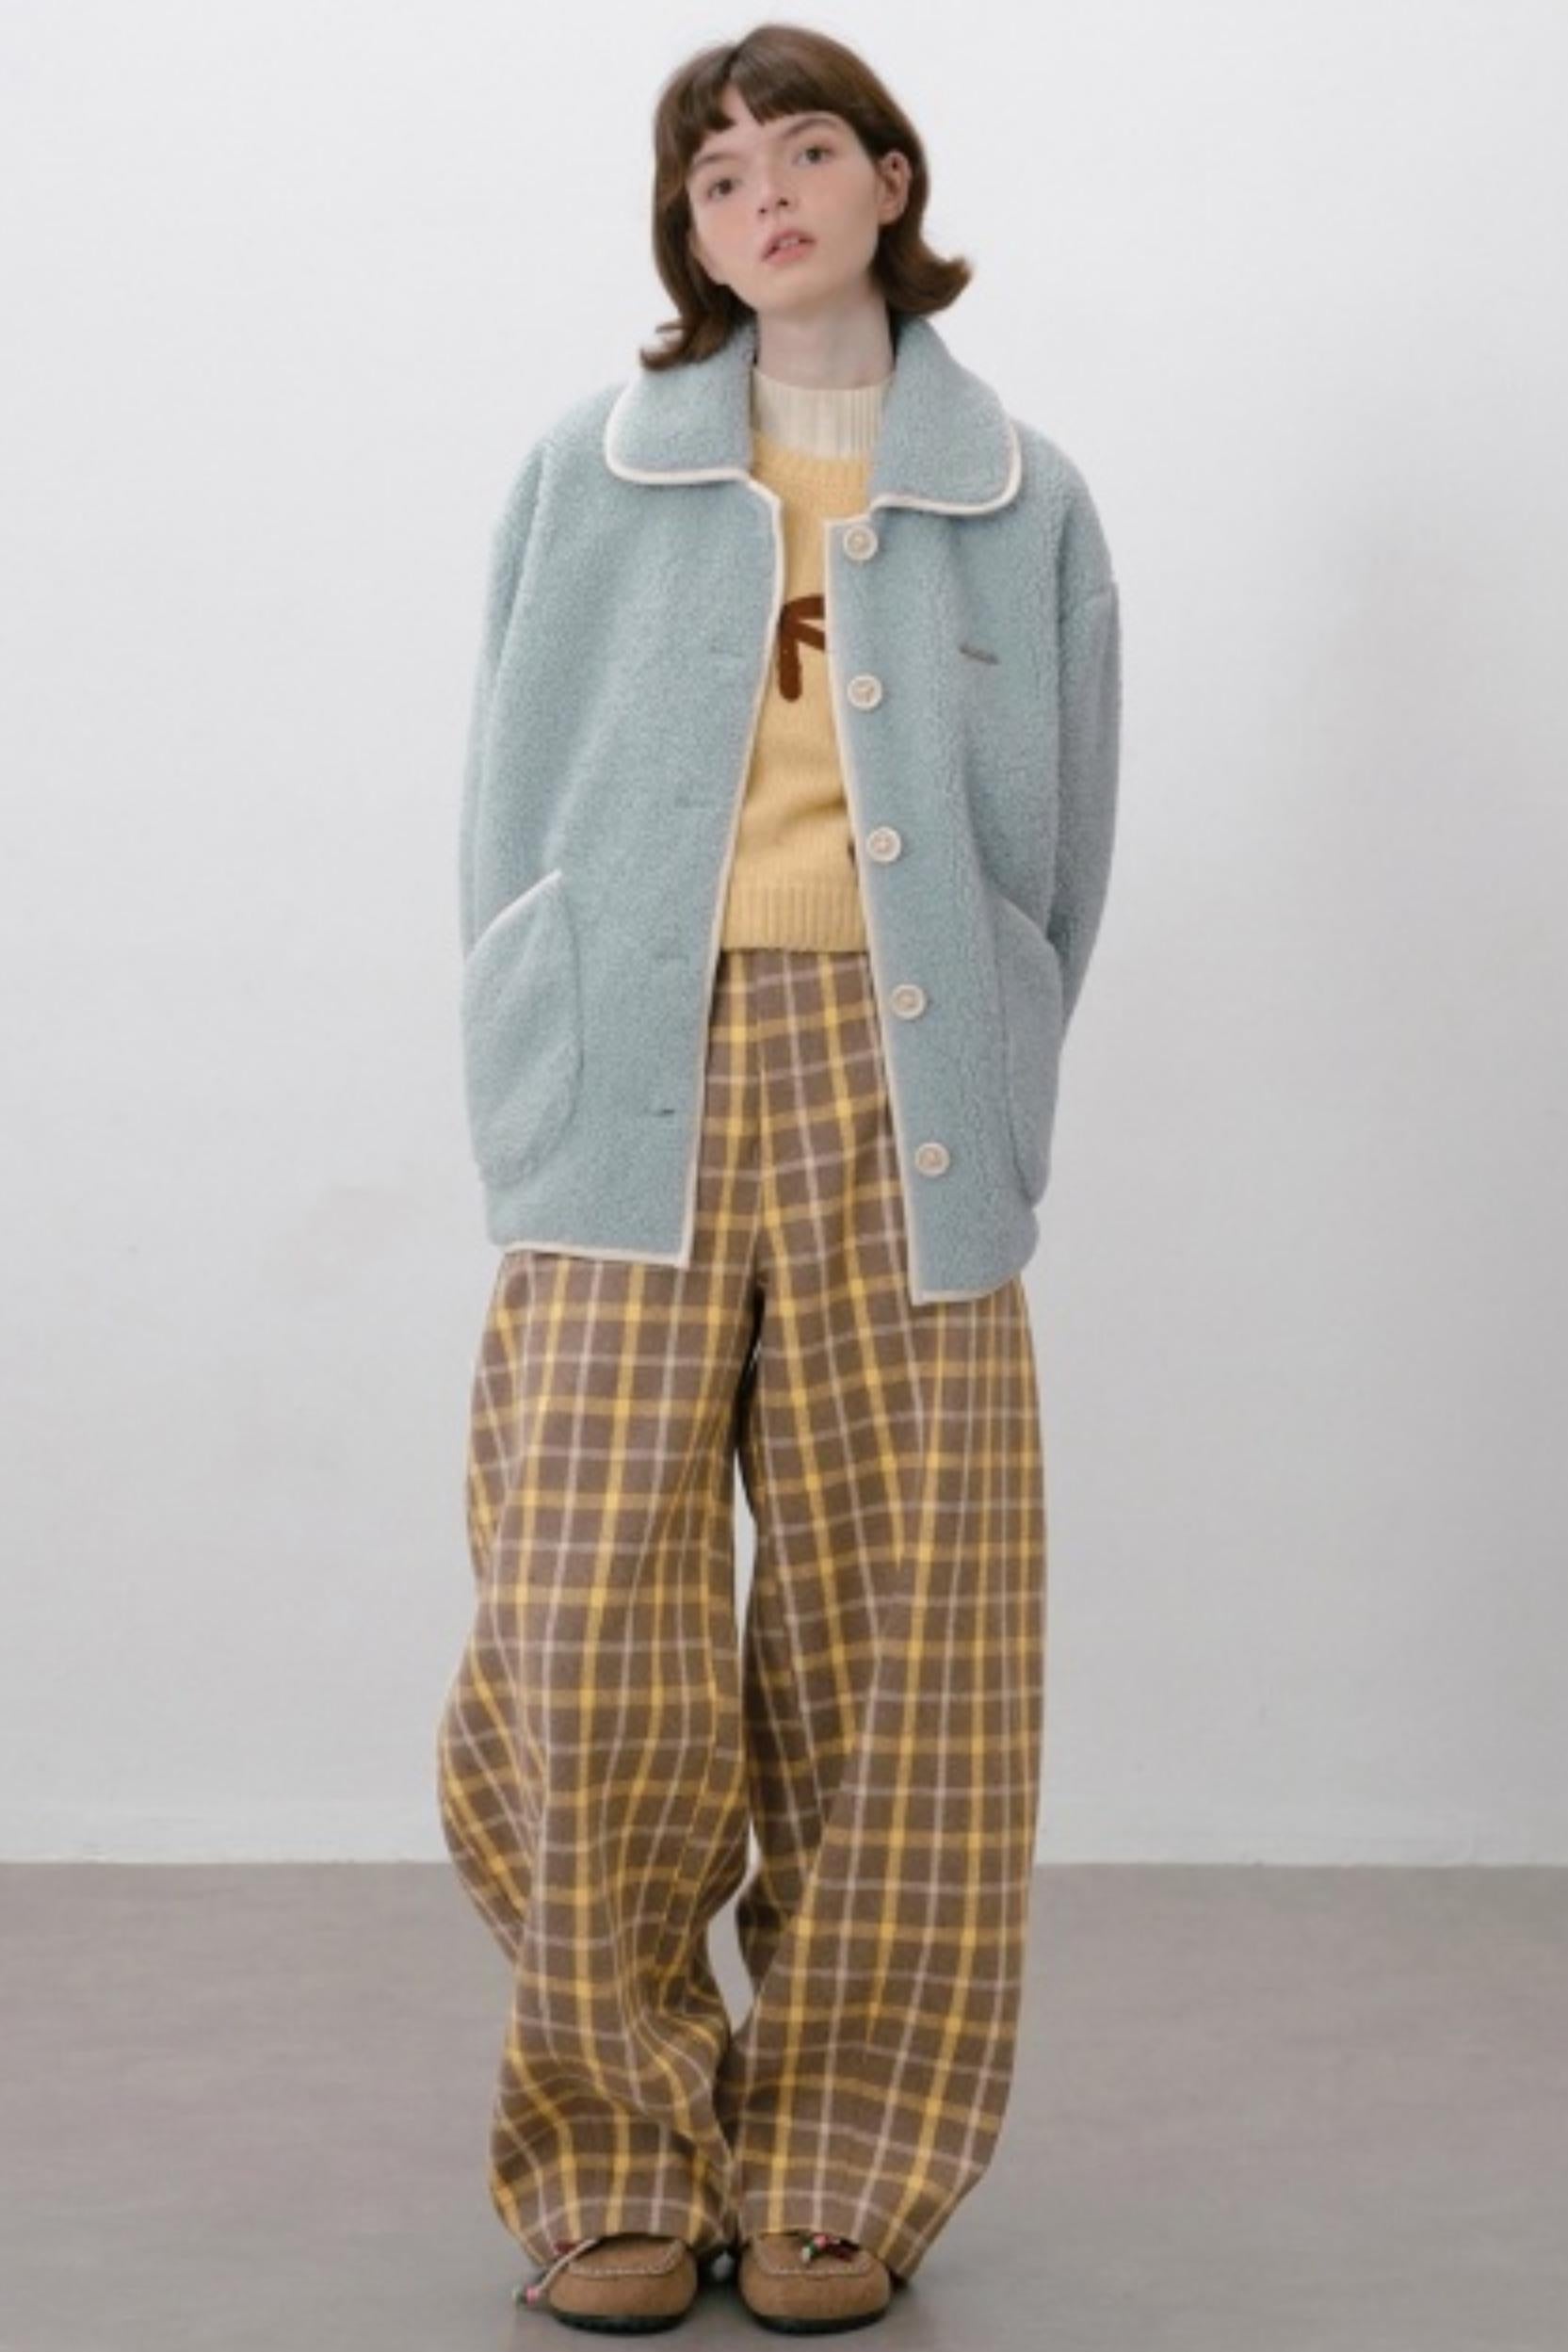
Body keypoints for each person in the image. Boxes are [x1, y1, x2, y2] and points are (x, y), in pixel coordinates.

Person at [436, 21, 1122, 2333]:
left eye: (803, 150)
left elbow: (1061, 846)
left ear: (884, 180)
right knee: (583, 1627)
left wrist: (998, 1077)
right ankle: (614, 2146)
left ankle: (843, 2159)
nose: (764, 196)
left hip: (903, 1097)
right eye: (716, 175)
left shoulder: (1017, 494)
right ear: (690, 233)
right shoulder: (591, 469)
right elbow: (505, 799)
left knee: (904, 1649)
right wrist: (532, 1047)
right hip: (626, 1082)